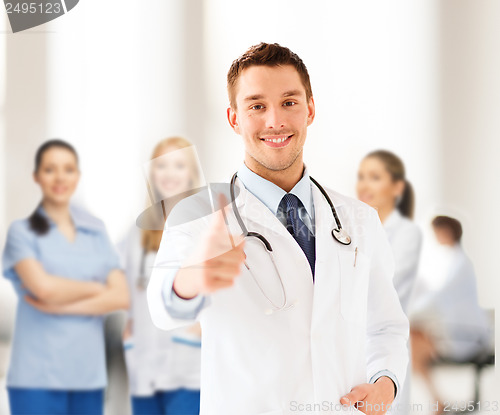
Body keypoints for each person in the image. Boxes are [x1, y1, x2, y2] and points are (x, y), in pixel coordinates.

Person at [148, 43, 409, 415]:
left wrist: (386, 382)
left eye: (289, 102)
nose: (275, 121)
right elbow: (161, 308)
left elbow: (386, 326)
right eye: (256, 106)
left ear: (310, 109)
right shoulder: (197, 214)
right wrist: (191, 279)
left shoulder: (359, 220)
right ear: (234, 118)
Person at [2, 139, 129, 415]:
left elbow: (121, 294)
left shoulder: (96, 233)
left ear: (77, 176)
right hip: (37, 378)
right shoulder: (21, 233)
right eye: (50, 169)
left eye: (68, 169)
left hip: (87, 377)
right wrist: (98, 288)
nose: (60, 177)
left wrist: (63, 304)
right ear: (37, 177)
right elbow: (44, 288)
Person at [119, 137, 202, 415]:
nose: (169, 173)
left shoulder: (205, 224)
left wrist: (200, 331)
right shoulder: (137, 232)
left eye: (179, 165)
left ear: (191, 173)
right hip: (145, 365)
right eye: (161, 165)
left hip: (190, 367)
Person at [357, 150, 422, 414]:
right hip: (355, 344)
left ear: (397, 187)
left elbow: (385, 285)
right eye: (361, 177)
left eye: (375, 177)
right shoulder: (355, 227)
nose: (364, 185)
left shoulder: (407, 232)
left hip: (386, 341)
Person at [410, 216, 492, 411]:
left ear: (446, 231)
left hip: (467, 336)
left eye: (437, 232)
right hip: (459, 331)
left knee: (414, 345)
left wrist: (407, 313)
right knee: (413, 339)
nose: (436, 237)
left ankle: (438, 402)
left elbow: (438, 297)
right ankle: (438, 400)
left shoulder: (459, 263)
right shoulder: (452, 260)